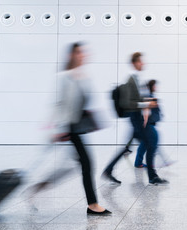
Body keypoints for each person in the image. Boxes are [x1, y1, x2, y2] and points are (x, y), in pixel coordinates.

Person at [52, 42, 111, 215]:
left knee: (74, 166)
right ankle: (92, 205)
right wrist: (61, 128)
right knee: (86, 163)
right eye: (79, 52)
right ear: (71, 55)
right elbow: (60, 103)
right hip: (69, 127)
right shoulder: (64, 76)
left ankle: (37, 190)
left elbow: (81, 101)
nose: (82, 55)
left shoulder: (82, 76)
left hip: (76, 127)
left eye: (83, 52)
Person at [112, 52, 168, 185]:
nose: (143, 63)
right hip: (135, 118)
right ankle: (152, 176)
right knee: (151, 141)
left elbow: (139, 99)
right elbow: (127, 103)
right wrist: (147, 104)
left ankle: (109, 170)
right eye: (140, 61)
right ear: (134, 63)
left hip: (138, 118)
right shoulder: (131, 80)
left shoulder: (138, 79)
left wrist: (147, 102)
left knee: (143, 144)